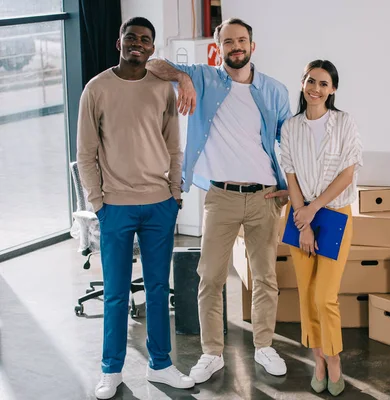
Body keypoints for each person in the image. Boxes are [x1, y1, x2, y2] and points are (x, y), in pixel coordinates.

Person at [146, 17, 292, 383]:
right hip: (221, 196)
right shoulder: (204, 77)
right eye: (228, 42)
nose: (236, 47)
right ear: (219, 47)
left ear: (252, 46)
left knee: (265, 277)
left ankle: (264, 345)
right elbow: (153, 64)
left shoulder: (274, 90)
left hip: (264, 197)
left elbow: (288, 142)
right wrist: (181, 78)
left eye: (242, 40)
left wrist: (292, 188)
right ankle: (211, 353)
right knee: (209, 278)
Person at [76, 17, 195, 399]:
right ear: (119, 43)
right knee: (115, 291)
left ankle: (161, 364)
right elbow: (86, 153)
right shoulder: (96, 89)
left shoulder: (162, 89)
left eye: (145, 39)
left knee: (159, 289)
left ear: (152, 47)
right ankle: (111, 370)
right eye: (131, 38)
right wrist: (98, 202)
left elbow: (174, 147)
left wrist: (175, 195)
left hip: (159, 204)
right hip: (116, 207)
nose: (138, 44)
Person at [279, 60, 363, 396]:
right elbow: (290, 175)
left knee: (325, 296)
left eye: (323, 84)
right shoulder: (290, 127)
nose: (316, 88)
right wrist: (303, 218)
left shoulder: (344, 123)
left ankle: (334, 360)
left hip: (334, 215)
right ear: (303, 83)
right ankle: (317, 359)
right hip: (300, 217)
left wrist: (314, 210)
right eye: (311, 81)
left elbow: (348, 173)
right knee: (307, 297)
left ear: (333, 90)